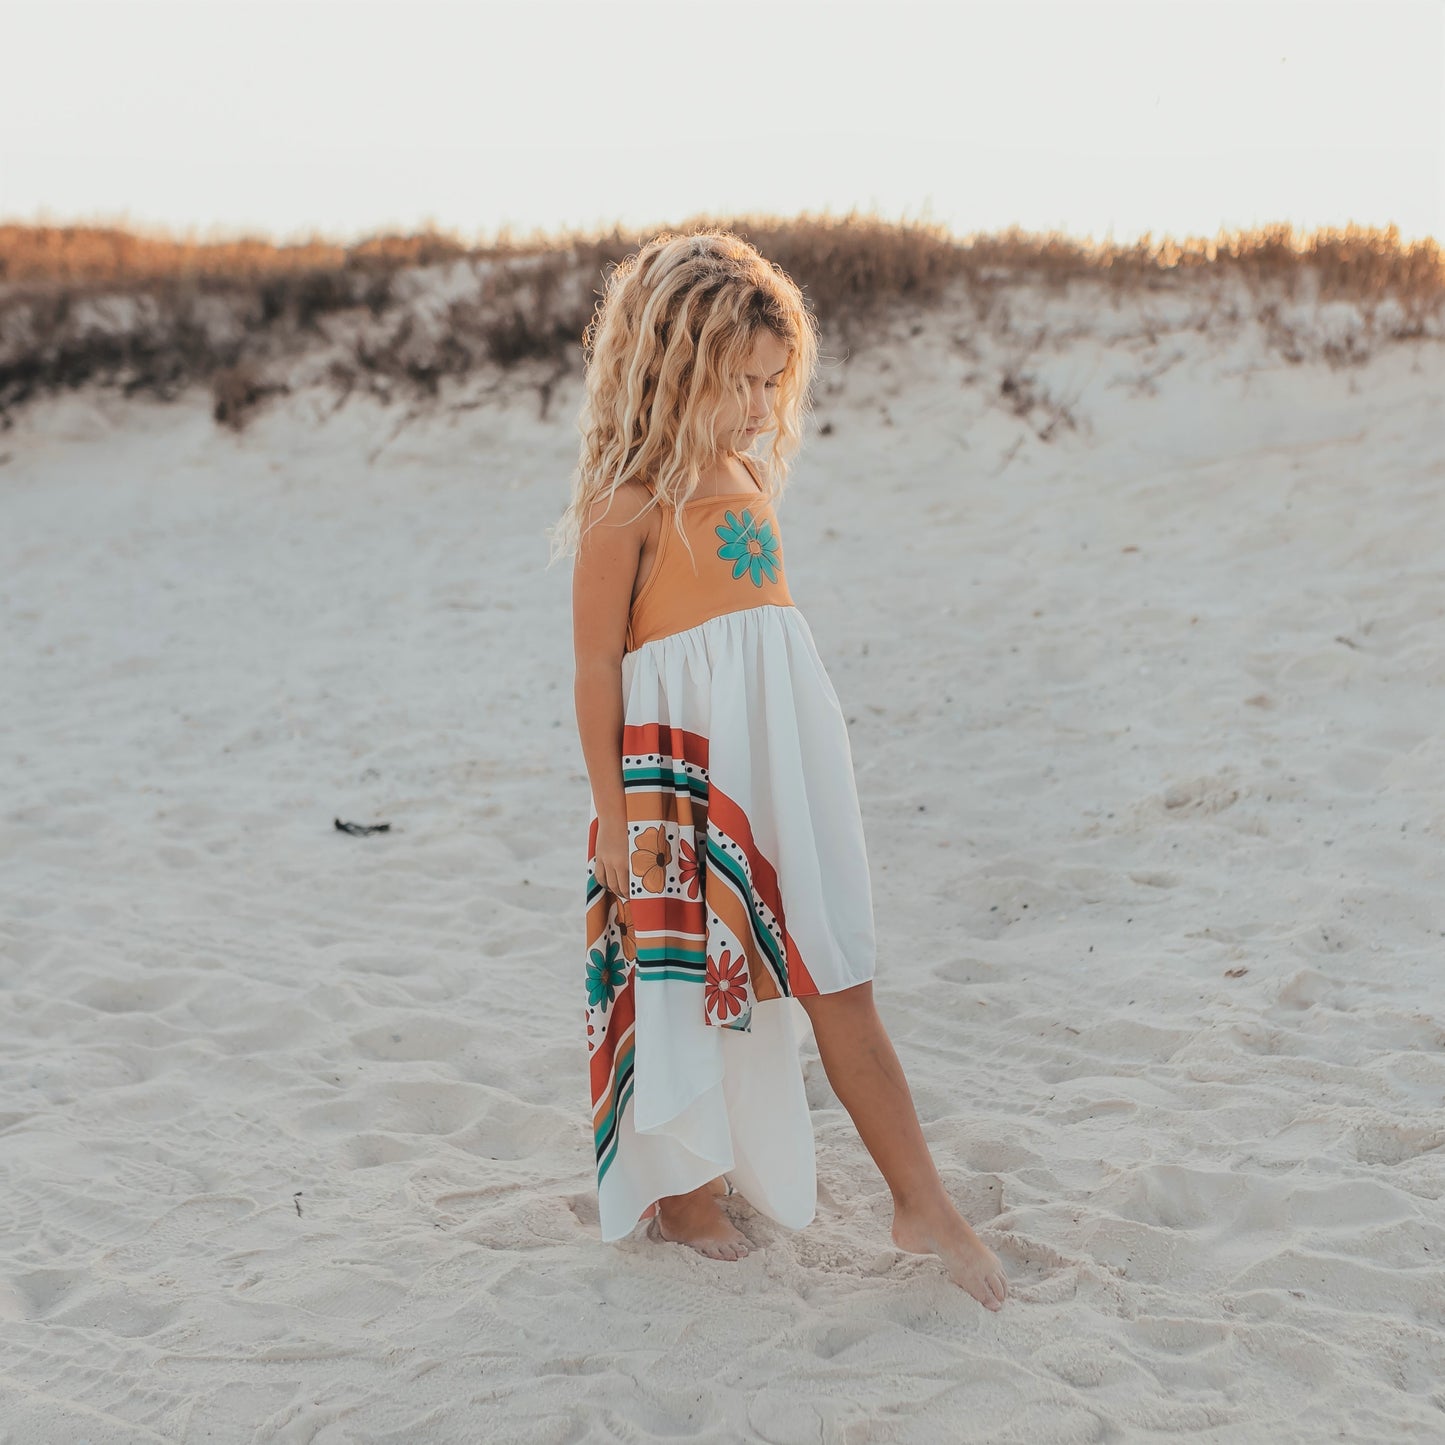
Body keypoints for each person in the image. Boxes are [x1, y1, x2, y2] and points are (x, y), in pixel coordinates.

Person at [549, 230, 1007, 1312]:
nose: (759, 406)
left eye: (771, 381)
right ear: (667, 371)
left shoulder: (750, 477)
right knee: (684, 986)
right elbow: (593, 675)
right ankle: (686, 1189)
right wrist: (613, 819)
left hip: (786, 761)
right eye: (737, 383)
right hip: (676, 779)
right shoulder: (626, 508)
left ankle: (921, 1198)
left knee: (834, 963)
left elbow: (761, 648)